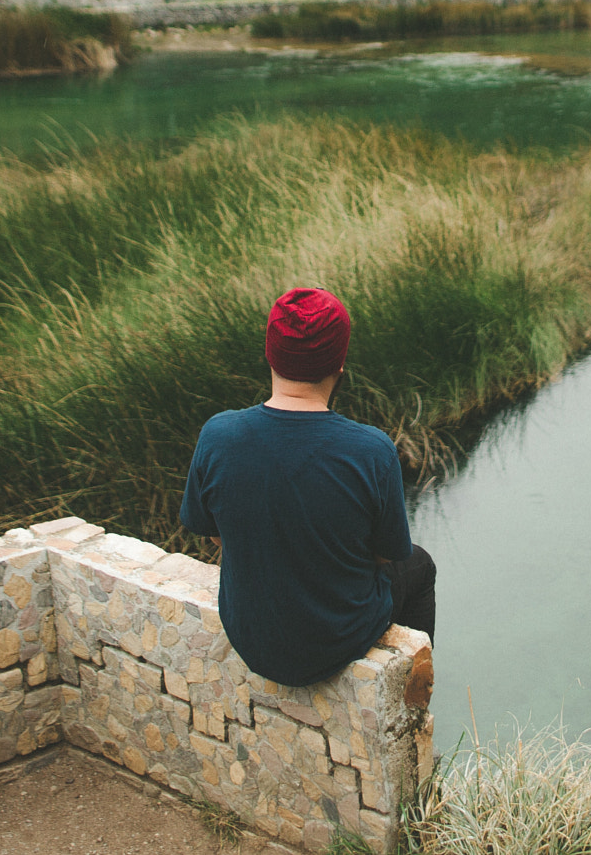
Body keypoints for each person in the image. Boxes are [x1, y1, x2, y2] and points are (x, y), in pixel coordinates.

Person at [179, 287, 436, 688]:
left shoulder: (218, 435)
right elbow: (388, 555)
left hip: (250, 637)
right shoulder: (372, 451)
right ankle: (411, 698)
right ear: (340, 366)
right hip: (336, 642)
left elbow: (215, 535)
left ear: (270, 355)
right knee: (419, 566)